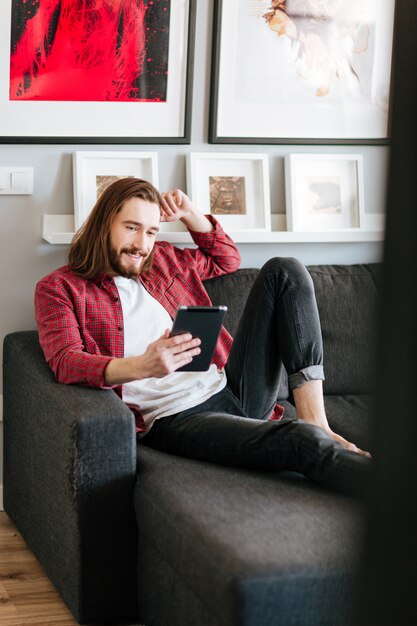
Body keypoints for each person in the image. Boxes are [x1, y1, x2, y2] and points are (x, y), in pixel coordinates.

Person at [35, 177, 370, 495]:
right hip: (180, 417)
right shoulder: (61, 288)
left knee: (286, 269)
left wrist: (191, 214)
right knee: (300, 442)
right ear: (103, 223)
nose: (142, 245)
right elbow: (66, 361)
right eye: (132, 228)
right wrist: (141, 366)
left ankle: (317, 421)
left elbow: (226, 258)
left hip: (231, 386)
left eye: (151, 231)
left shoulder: (164, 259)